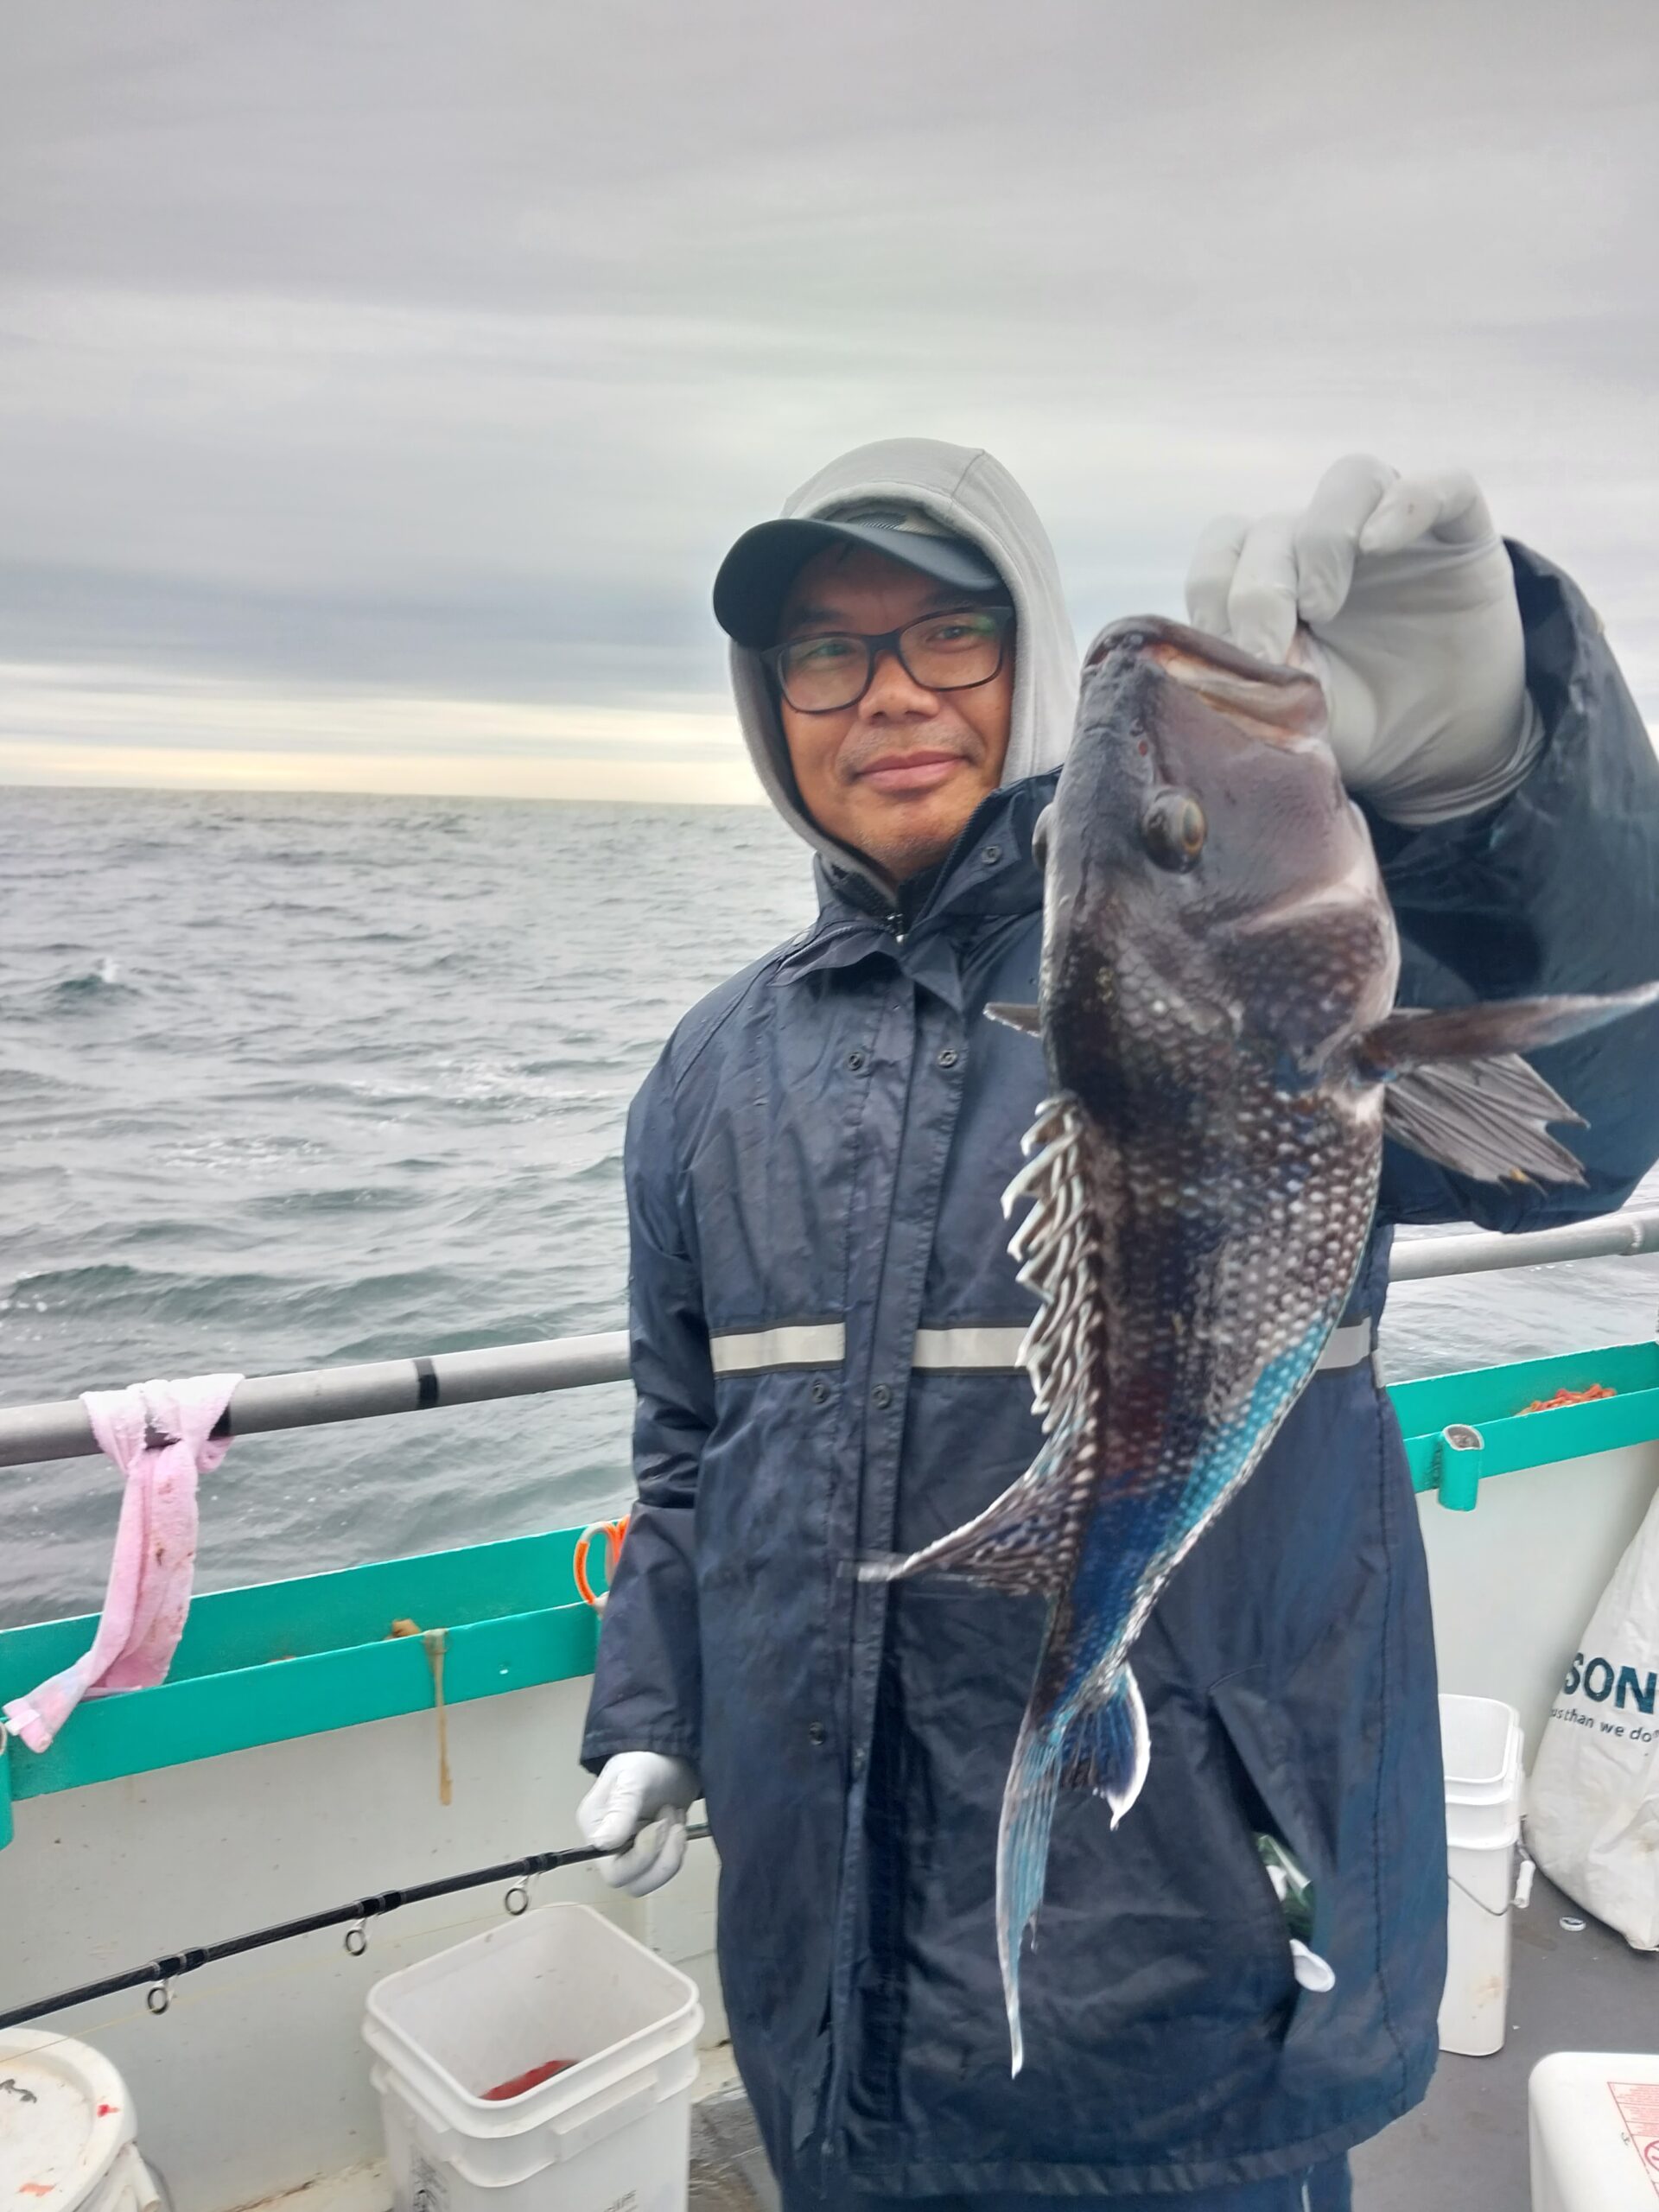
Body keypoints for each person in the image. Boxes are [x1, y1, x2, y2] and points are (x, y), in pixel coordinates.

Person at [577, 439, 1659, 2209]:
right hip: (822, 1991)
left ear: (1028, 651)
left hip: (1189, 1987)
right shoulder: (707, 1068)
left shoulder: (1228, 941)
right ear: (771, 705)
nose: (889, 692)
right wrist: (654, 1708)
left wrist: (1497, 782)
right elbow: (687, 1442)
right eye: (825, 653)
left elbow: (1586, 1123)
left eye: (947, 632)